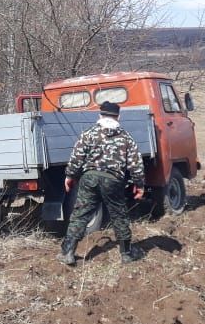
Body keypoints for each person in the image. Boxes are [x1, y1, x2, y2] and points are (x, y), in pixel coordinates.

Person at [57, 101, 146, 266]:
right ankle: (126, 253)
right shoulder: (126, 137)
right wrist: (139, 185)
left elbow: (76, 157)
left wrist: (69, 176)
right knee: (119, 215)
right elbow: (136, 164)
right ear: (118, 116)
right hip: (114, 181)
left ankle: (68, 252)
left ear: (100, 115)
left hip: (89, 178)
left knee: (81, 214)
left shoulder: (89, 133)